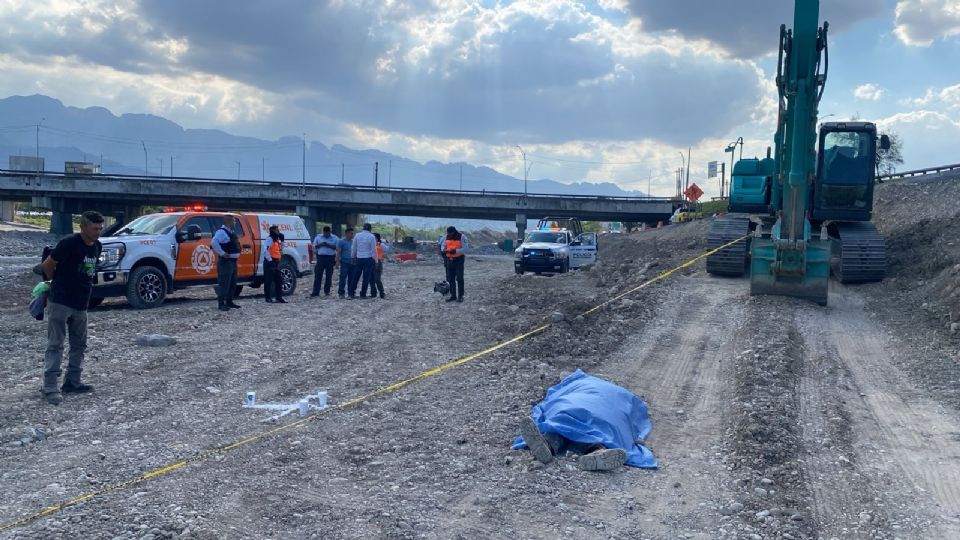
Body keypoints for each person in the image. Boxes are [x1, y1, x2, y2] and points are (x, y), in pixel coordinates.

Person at [39, 210, 104, 406]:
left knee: (79, 345)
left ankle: (72, 382)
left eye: (100, 228)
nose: (98, 232)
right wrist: (53, 282)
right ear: (82, 227)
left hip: (81, 303)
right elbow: (48, 265)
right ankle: (50, 386)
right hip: (60, 301)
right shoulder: (68, 243)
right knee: (56, 344)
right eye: (94, 228)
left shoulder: (97, 247)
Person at [210, 215, 242, 311]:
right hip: (226, 262)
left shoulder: (230, 232)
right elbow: (214, 243)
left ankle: (229, 301)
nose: (235, 223)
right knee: (224, 283)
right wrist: (222, 253)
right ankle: (221, 303)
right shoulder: (221, 232)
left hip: (232, 261)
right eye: (234, 221)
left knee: (232, 283)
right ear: (229, 222)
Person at [441, 226, 468, 303]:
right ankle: (453, 296)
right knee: (451, 279)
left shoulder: (462, 237)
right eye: (448, 233)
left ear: (454, 232)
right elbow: (443, 246)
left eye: (451, 233)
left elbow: (466, 249)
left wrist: (456, 251)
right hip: (449, 260)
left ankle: (460, 296)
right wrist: (444, 250)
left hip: (459, 260)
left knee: (459, 278)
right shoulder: (446, 237)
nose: (449, 235)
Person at [350, 223, 377, 299]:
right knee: (366, 277)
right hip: (368, 259)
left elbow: (354, 247)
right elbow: (373, 250)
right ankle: (362, 295)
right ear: (370, 229)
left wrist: (352, 257)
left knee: (355, 276)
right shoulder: (372, 236)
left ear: (363, 228)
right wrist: (376, 260)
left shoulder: (357, 235)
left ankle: (351, 293)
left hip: (359, 258)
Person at [311, 226, 338, 297]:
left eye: (327, 233)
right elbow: (314, 247)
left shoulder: (335, 238)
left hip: (330, 258)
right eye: (325, 233)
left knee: (329, 275)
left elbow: (337, 247)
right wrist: (321, 245)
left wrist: (328, 245)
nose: (326, 234)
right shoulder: (318, 237)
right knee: (318, 275)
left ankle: (327, 291)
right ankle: (315, 292)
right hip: (321, 258)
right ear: (323, 232)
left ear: (330, 232)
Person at [263, 225, 286, 303]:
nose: (278, 232)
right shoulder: (269, 239)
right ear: (273, 231)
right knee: (268, 281)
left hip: (276, 263)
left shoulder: (276, 240)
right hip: (269, 262)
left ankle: (279, 298)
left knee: (279, 280)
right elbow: (265, 250)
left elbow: (281, 250)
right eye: (277, 230)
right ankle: (268, 298)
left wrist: (282, 241)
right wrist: (270, 260)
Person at [336, 227, 356, 299]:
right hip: (344, 262)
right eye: (351, 233)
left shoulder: (354, 241)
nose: (352, 235)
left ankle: (351, 293)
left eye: (353, 233)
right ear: (347, 233)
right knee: (342, 278)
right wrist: (337, 261)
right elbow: (338, 252)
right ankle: (341, 293)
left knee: (352, 279)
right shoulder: (341, 241)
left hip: (353, 262)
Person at [369, 232, 386, 299]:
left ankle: (382, 293)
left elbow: (387, 249)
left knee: (377, 279)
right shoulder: (370, 245)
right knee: (371, 279)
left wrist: (389, 243)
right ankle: (373, 293)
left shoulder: (381, 245)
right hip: (370, 262)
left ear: (377, 238)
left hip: (378, 263)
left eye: (373, 237)